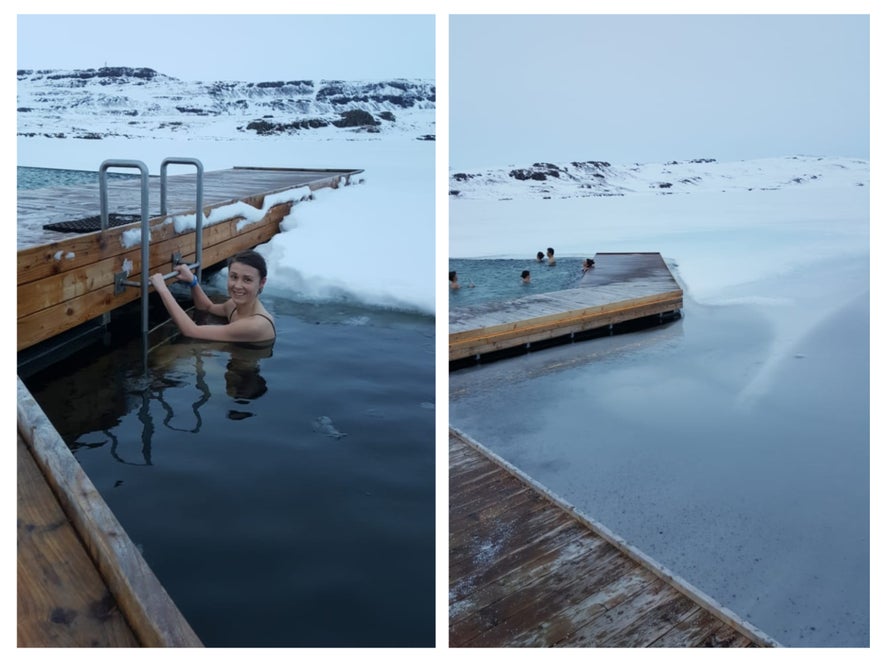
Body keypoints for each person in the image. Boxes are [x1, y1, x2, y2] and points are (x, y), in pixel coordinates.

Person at [150, 249, 276, 346]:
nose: (238, 285)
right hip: (232, 360)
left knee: (165, 358)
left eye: (247, 280)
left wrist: (163, 289)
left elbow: (191, 331)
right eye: (234, 277)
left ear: (262, 282)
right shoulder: (233, 305)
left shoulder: (255, 326)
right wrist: (192, 282)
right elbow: (207, 307)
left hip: (244, 376)